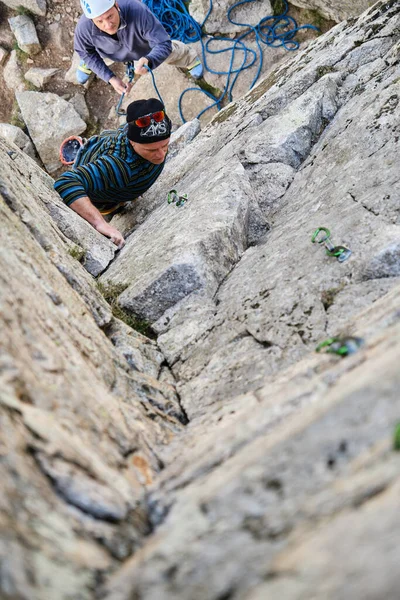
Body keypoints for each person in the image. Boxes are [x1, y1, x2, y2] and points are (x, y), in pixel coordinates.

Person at [54, 98, 171, 249]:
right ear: (132, 142)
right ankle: (80, 156)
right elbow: (65, 182)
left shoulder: (151, 126)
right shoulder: (117, 166)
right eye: (152, 150)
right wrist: (100, 223)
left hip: (104, 146)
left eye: (165, 145)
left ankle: (86, 149)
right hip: (102, 186)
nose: (161, 155)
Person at [74, 0, 203, 94]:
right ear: (91, 20)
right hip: (107, 50)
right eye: (99, 21)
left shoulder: (137, 10)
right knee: (92, 55)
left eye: (110, 16)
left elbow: (163, 43)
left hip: (143, 46)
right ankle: (90, 64)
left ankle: (190, 58)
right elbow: (85, 52)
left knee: (170, 52)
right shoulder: (84, 27)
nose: (108, 25)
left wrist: (150, 59)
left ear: (116, 5)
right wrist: (110, 78)